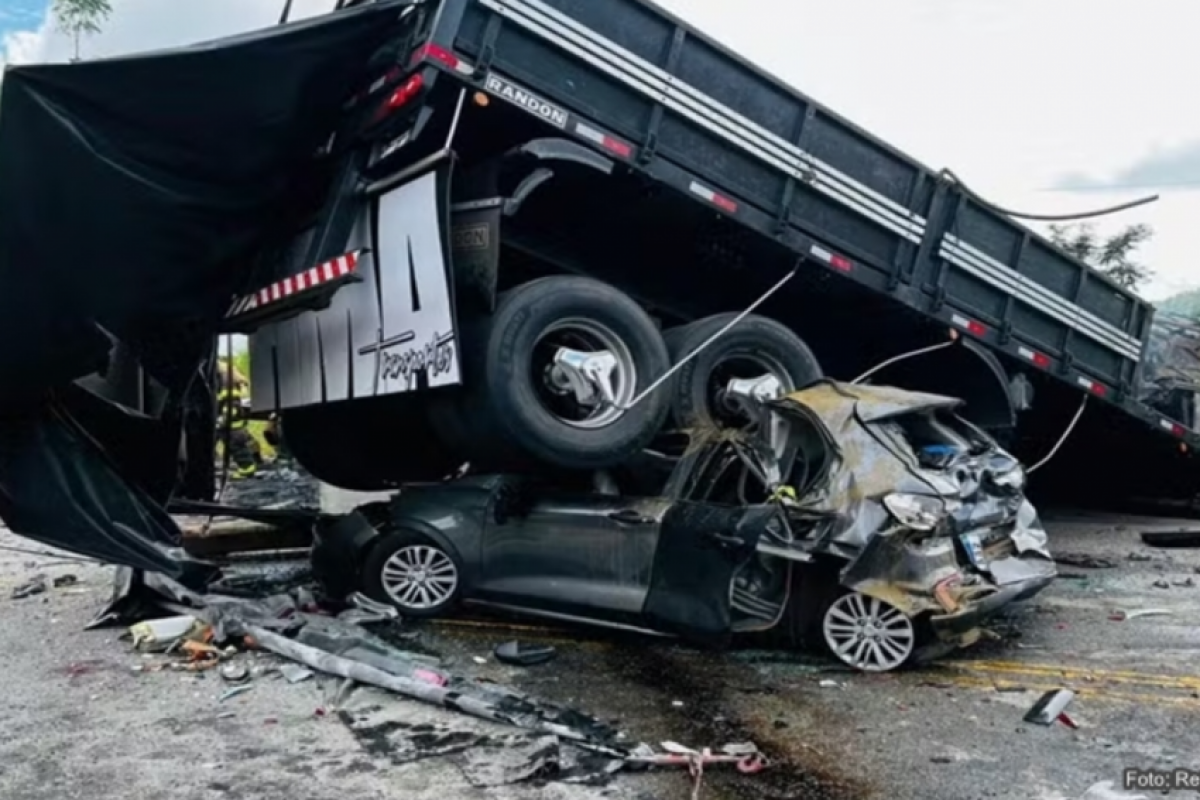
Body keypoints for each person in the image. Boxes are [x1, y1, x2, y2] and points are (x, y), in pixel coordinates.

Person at [215, 360, 261, 479]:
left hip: (232, 429)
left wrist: (221, 421)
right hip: (234, 428)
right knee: (239, 448)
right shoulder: (230, 384)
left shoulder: (227, 389)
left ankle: (247, 470)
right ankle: (252, 463)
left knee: (239, 451)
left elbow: (230, 410)